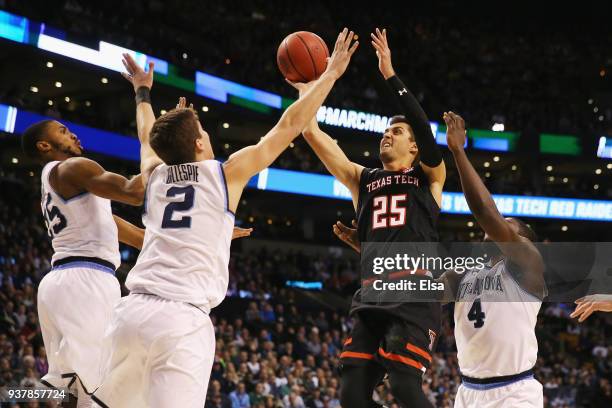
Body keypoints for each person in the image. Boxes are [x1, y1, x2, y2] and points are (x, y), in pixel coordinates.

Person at [92, 28, 358, 408]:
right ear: (200, 142)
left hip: (130, 313)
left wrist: (142, 93)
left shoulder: (154, 175)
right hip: (180, 322)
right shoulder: (225, 173)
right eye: (202, 129)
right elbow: (288, 125)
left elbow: (145, 136)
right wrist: (330, 74)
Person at [334, 112, 547, 408]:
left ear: (524, 241)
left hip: (515, 392)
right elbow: (420, 289)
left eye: (508, 225)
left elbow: (487, 215)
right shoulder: (465, 274)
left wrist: (457, 151)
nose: (499, 228)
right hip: (469, 392)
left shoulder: (529, 267)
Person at [290, 28, 445, 407]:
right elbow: (310, 132)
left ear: (414, 146)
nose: (387, 135)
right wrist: (308, 89)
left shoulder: (428, 178)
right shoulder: (364, 180)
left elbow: (423, 128)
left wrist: (390, 73)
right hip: (372, 293)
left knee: (405, 389)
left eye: (397, 131)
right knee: (351, 395)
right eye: (386, 131)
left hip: (413, 295)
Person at [20, 117, 146, 406]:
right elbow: (134, 192)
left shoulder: (73, 191)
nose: (74, 134)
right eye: (63, 131)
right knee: (96, 387)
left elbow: (141, 238)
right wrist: (162, 150)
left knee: (75, 389)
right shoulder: (72, 168)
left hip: (67, 280)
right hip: (84, 280)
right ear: (45, 145)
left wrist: (208, 234)